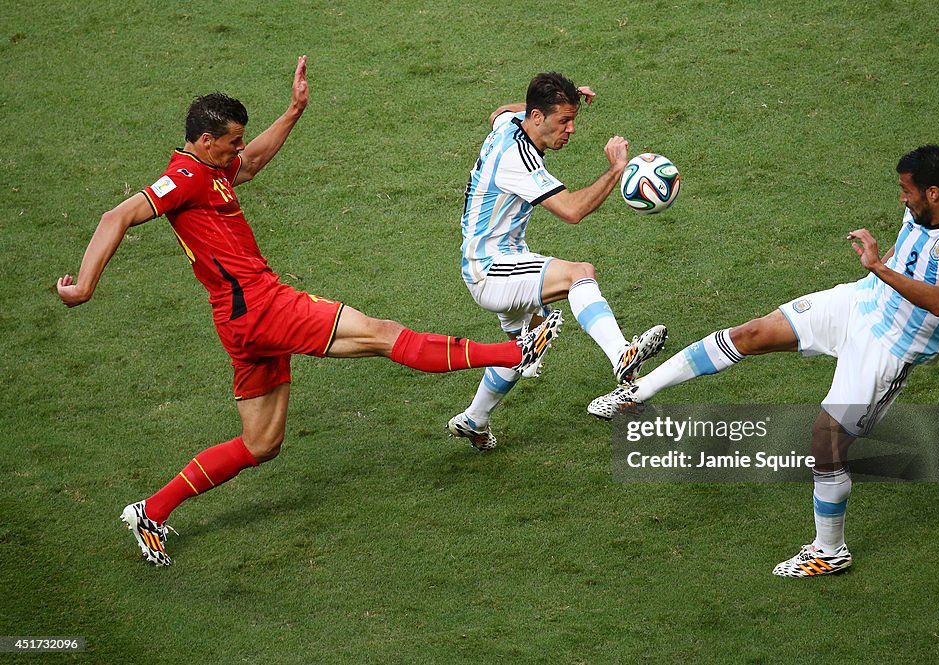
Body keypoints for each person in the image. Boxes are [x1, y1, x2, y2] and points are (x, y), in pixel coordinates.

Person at [56, 56, 563, 567]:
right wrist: (84, 286)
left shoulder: (212, 167)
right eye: (232, 140)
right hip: (261, 306)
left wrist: (294, 110)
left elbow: (251, 163)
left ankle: (151, 511)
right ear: (206, 141)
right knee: (381, 334)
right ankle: (515, 350)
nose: (239, 148)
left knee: (262, 443)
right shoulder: (182, 178)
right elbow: (116, 215)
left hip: (239, 324)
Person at [588, 145, 939, 577]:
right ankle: (636, 393)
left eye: (906, 191)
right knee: (752, 333)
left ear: (934, 192)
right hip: (859, 302)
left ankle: (830, 550)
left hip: (889, 348)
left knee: (826, 441)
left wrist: (877, 266)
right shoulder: (922, 211)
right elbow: (908, 251)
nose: (901, 199)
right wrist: (881, 265)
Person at [447, 72, 667, 450]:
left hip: (495, 259)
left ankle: (474, 419)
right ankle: (621, 355)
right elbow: (571, 211)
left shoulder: (510, 124)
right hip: (490, 267)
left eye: (572, 119)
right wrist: (616, 169)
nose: (571, 129)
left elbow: (499, 111)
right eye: (563, 121)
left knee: (524, 343)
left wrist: (566, 97)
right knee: (579, 274)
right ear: (537, 118)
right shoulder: (516, 158)